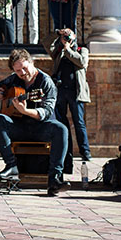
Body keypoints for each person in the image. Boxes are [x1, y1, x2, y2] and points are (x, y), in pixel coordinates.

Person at [0, 49, 69, 196]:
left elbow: (46, 112)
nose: (22, 73)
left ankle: (54, 179)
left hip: (40, 127)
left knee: (61, 129)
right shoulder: (14, 79)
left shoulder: (45, 82)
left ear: (32, 63)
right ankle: (11, 167)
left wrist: (25, 111)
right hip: (19, 126)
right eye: (18, 71)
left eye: (25, 68)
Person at [45, 28, 92, 162]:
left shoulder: (82, 51)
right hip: (61, 91)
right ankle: (67, 151)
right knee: (62, 123)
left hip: (75, 92)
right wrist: (58, 34)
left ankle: (85, 151)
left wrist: (68, 49)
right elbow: (46, 43)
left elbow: (82, 62)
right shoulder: (58, 52)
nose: (66, 40)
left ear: (74, 37)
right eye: (64, 37)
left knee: (79, 123)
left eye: (68, 37)